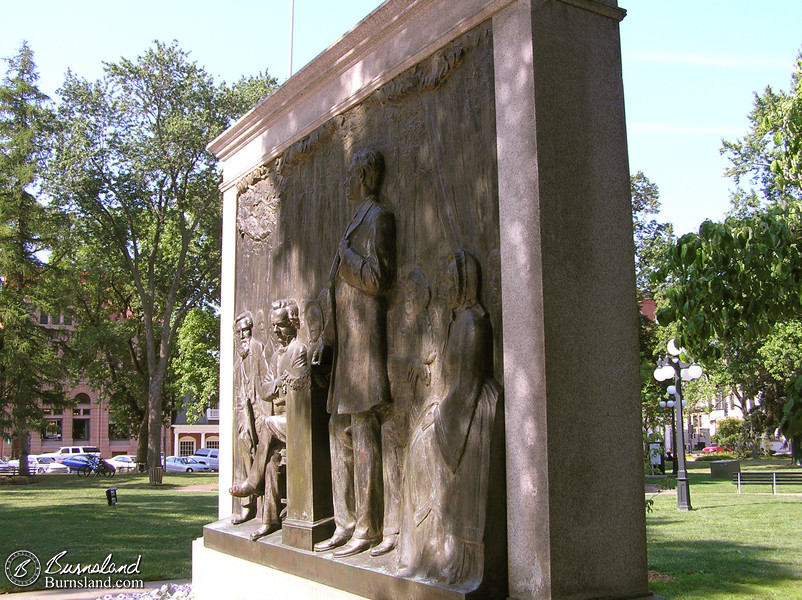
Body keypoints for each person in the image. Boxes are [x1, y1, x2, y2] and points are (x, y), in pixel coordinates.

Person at [397, 249, 500, 589]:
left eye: (447, 283)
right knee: (415, 448)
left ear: (462, 284)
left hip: (468, 414)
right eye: (440, 283)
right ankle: (425, 549)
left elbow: (468, 386)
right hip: (454, 407)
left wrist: (439, 422)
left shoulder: (473, 324)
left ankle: (450, 553)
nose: (442, 289)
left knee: (424, 448)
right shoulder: (458, 321)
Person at [314, 148, 396, 558]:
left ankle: (368, 527)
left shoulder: (379, 218)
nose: (347, 180)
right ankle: (345, 523)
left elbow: (379, 278)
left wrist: (346, 257)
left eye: (352, 174)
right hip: (347, 350)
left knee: (364, 434)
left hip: (365, 350)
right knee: (336, 434)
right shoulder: (354, 219)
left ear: (364, 175)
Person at [230, 300, 309, 540]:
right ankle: (270, 520)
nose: (275, 331)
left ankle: (252, 482)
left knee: (266, 424)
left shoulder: (300, 351)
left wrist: (282, 387)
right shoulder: (275, 356)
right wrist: (279, 384)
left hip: (299, 423)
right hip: (281, 426)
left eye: (281, 326)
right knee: (271, 460)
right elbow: (264, 389)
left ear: (293, 324)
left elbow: (297, 387)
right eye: (274, 326)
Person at [231, 311, 271, 525]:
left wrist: (263, 415)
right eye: (239, 331)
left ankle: (264, 504)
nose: (243, 334)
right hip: (246, 415)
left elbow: (267, 380)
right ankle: (248, 503)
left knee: (261, 446)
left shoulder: (257, 348)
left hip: (262, 412)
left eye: (246, 329)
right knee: (243, 442)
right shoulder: (238, 363)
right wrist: (244, 422)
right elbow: (239, 396)